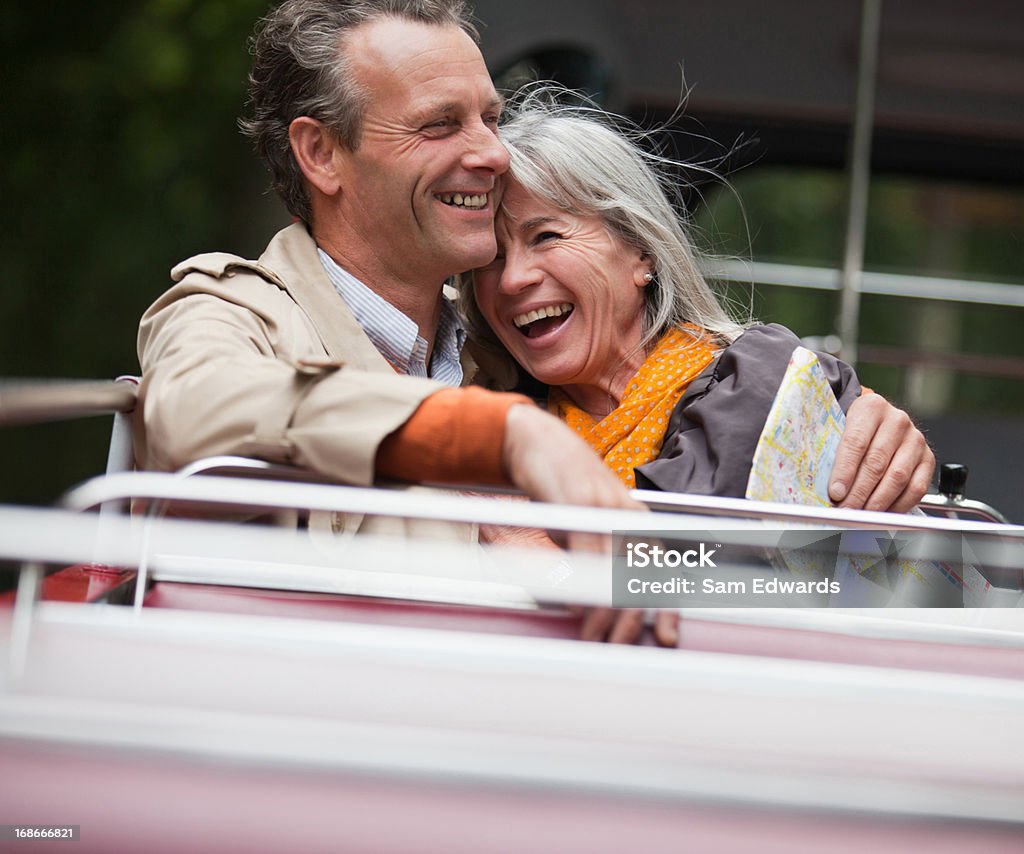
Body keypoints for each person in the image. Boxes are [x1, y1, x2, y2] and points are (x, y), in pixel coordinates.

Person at [137, 1, 928, 645]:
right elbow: (194, 407)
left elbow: (768, 565)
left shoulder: (504, 362)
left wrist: (854, 421)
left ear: (640, 254)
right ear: (321, 154)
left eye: (490, 116)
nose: (489, 152)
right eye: (440, 124)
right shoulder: (234, 309)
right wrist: (500, 437)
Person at [464, 92, 934, 510]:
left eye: (546, 236)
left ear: (641, 252)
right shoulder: (485, 407)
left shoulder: (754, 377)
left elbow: (671, 570)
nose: (511, 280)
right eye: (490, 257)